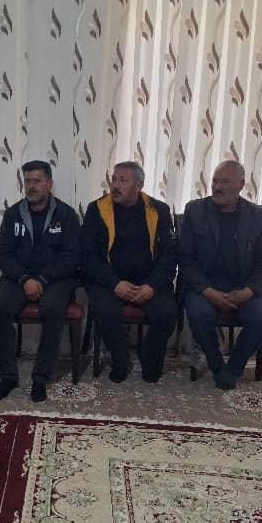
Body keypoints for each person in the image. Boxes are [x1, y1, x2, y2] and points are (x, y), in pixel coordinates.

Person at [179, 160, 262, 390]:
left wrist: (248, 291)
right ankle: (216, 364)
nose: (217, 187)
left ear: (241, 185)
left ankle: (233, 369)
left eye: (224, 182)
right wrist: (208, 292)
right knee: (199, 314)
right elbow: (185, 259)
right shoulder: (195, 210)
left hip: (243, 286)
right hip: (204, 286)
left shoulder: (257, 215)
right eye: (215, 181)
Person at [0, 161, 81, 402]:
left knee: (52, 309)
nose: (31, 186)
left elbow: (72, 257)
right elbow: (3, 254)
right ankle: (8, 376)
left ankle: (40, 378)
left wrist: (42, 279)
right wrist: (24, 279)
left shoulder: (66, 215)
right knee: (1, 309)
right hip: (19, 278)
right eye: (27, 181)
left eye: (37, 181)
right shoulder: (13, 214)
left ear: (49, 184)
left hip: (56, 279)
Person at [82, 161, 179, 383]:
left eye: (123, 180)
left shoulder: (158, 210)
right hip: (109, 280)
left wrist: (152, 285)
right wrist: (114, 284)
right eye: (114, 179)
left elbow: (170, 255)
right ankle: (120, 359)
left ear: (139, 185)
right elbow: (88, 256)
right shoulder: (97, 209)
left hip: (149, 281)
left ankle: (149, 356)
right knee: (105, 311)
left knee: (167, 314)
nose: (115, 185)